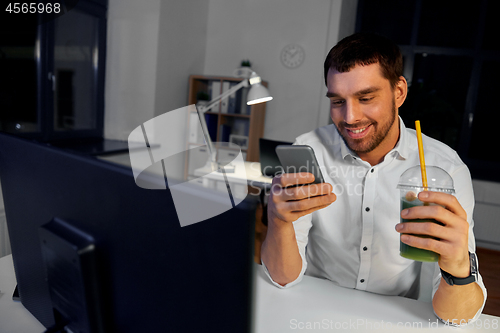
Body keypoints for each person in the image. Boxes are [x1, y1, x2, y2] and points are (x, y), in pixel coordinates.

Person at [261, 32, 486, 325]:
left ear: (399, 92)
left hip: (395, 319)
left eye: (366, 98)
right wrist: (278, 222)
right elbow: (282, 278)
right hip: (312, 312)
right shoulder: (310, 151)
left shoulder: (445, 169)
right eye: (338, 101)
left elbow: (458, 318)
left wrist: (458, 268)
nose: (350, 117)